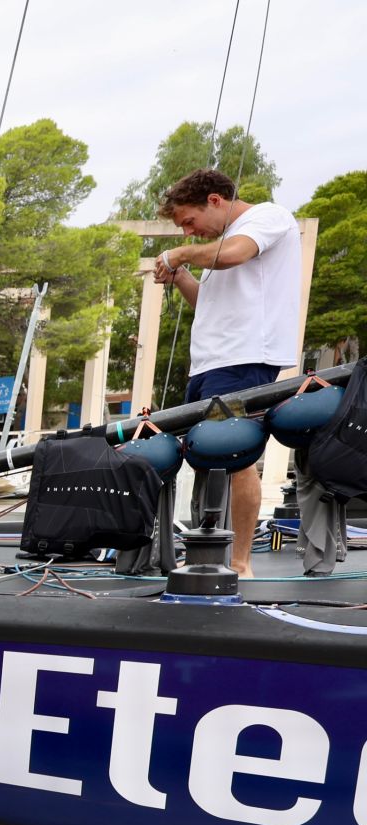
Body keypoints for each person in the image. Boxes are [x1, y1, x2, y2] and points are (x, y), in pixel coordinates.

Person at [151, 167, 302, 576]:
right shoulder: (219, 245)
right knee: (205, 456)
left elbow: (235, 254)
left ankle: (240, 561)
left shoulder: (267, 217)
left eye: (189, 221)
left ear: (215, 201)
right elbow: (208, 303)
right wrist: (180, 275)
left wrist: (180, 255)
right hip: (210, 362)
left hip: (243, 357)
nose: (188, 232)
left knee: (234, 454)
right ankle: (209, 555)